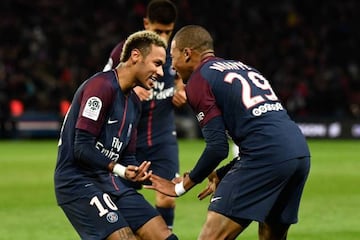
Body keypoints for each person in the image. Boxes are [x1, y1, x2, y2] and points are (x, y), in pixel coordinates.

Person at [145, 25, 311, 240]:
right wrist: (222, 174)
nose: (172, 66)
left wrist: (182, 187)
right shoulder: (244, 67)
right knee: (272, 235)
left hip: (266, 156)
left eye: (173, 56)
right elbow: (263, 134)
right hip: (298, 153)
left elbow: (217, 148)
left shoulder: (199, 79)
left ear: (187, 54)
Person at [54, 30, 178, 240]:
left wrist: (137, 173)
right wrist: (120, 169)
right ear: (136, 56)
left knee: (166, 237)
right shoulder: (101, 87)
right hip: (77, 181)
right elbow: (81, 147)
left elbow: (126, 156)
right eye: (157, 63)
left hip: (109, 181)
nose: (161, 73)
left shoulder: (135, 103)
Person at [103, 0, 187, 230]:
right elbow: (103, 87)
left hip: (162, 138)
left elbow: (184, 78)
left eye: (168, 32)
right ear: (145, 23)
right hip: (128, 140)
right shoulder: (126, 51)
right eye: (157, 31)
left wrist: (181, 90)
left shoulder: (176, 52)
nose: (163, 36)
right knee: (121, 199)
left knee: (167, 196)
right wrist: (128, 89)